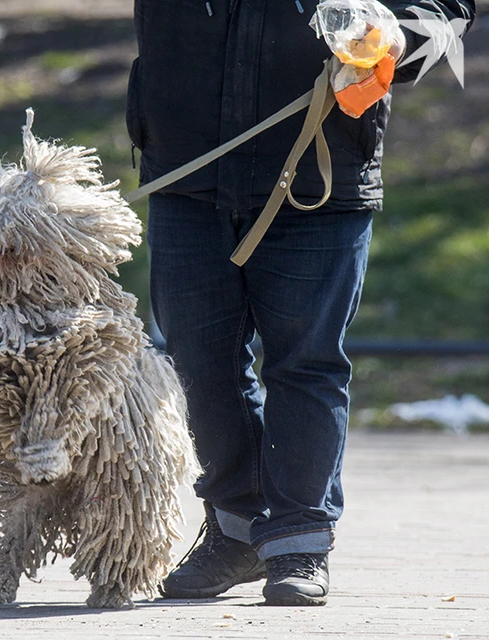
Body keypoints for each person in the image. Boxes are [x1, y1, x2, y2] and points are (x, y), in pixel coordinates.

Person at [127, 0, 474, 606]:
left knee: (306, 361)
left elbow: (449, 8)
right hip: (185, 170)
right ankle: (234, 531)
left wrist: (399, 36)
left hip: (325, 171)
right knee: (198, 363)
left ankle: (299, 542)